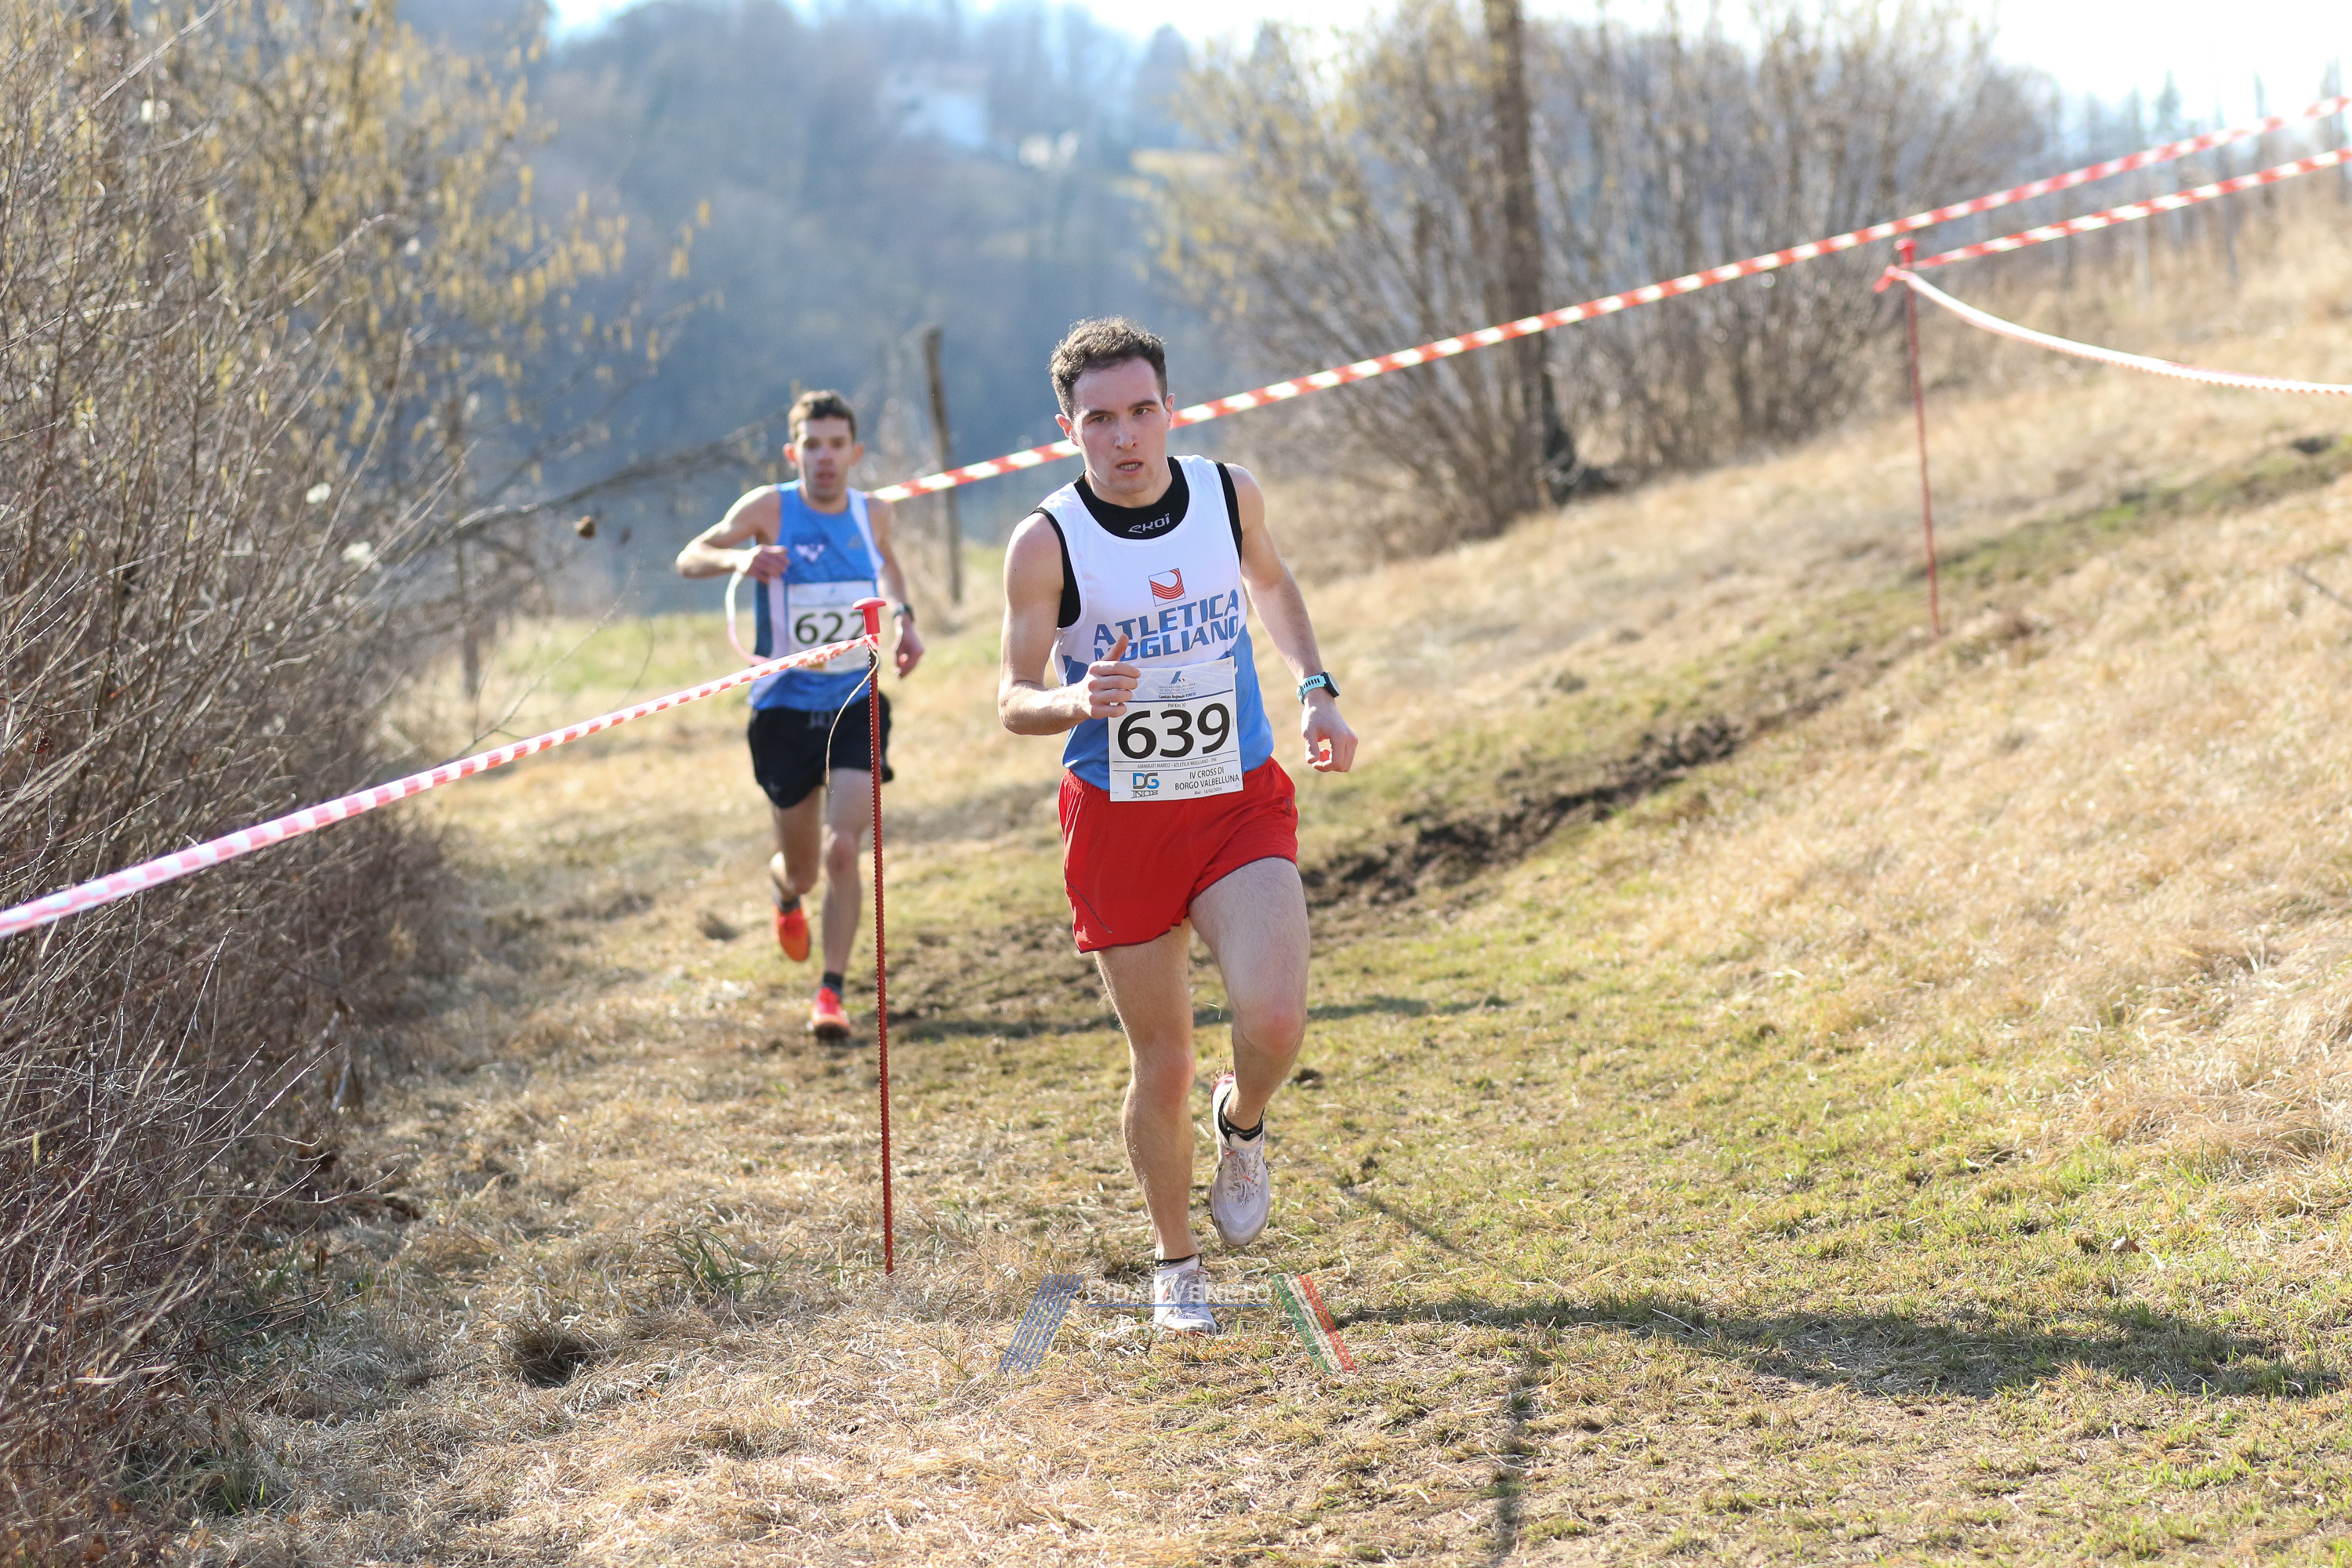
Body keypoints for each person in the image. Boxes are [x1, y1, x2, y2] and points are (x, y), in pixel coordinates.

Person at [997, 318, 1358, 1332]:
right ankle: (1176, 1262)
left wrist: (1316, 689)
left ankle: (1243, 1125)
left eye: (1142, 410)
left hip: (1236, 798)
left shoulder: (1226, 494)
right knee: (1163, 1059)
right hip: (1120, 820)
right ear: (1068, 428)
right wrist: (1073, 700)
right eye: (1100, 419)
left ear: (1171, 410)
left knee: (1274, 1019)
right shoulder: (1046, 541)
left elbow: (1271, 584)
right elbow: (1012, 697)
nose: (1125, 436)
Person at [677, 390, 923, 1039]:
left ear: (855, 452)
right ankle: (785, 891)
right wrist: (739, 558)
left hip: (855, 698)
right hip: (783, 709)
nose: (825, 457)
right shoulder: (769, 508)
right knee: (807, 870)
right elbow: (690, 556)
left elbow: (891, 573)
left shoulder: (874, 513)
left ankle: (830, 992)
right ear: (794, 453)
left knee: (845, 848)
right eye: (812, 446)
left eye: (836, 445)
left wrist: (908, 621)